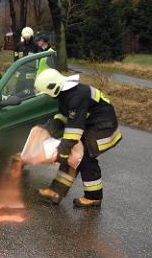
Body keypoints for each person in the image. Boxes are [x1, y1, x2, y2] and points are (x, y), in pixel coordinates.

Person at [34, 69, 122, 208]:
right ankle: (56, 192)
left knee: (85, 157)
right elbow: (65, 116)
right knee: (73, 155)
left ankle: (93, 197)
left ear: (53, 87)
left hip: (104, 128)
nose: (46, 96)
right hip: (91, 125)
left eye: (46, 93)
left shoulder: (76, 96)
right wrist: (51, 127)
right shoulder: (65, 94)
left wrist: (63, 151)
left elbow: (74, 129)